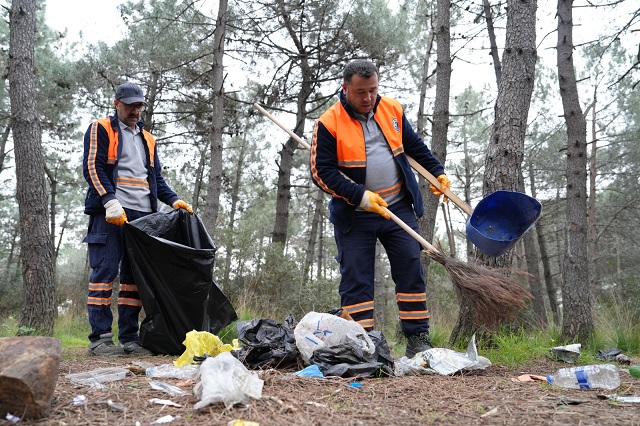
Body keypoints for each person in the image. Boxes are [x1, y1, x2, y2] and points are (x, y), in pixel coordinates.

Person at [310, 60, 450, 358]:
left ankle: (418, 338)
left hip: (398, 207)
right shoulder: (328, 123)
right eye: (361, 92)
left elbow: (414, 146)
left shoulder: (392, 109)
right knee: (356, 279)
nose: (368, 97)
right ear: (345, 88)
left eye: (373, 90)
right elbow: (320, 172)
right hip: (355, 215)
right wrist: (360, 196)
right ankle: (363, 346)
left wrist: (437, 172)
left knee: (411, 268)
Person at [82, 82, 193, 356]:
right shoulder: (101, 128)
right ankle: (101, 338)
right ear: (116, 103)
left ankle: (130, 339)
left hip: (144, 217)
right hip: (112, 213)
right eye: (129, 105)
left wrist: (173, 199)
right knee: (104, 273)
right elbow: (93, 167)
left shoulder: (149, 139)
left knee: (134, 280)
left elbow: (156, 179)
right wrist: (109, 201)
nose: (135, 110)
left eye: (138, 105)